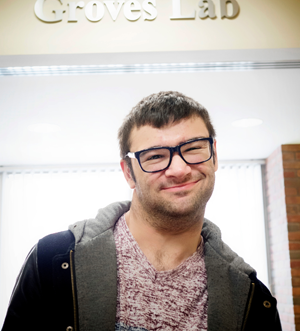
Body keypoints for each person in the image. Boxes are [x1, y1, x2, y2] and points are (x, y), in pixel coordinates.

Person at [2, 91, 281, 331]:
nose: (180, 169)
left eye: (194, 148)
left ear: (215, 155)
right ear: (128, 173)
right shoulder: (54, 262)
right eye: (156, 156)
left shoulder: (252, 297)